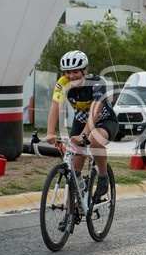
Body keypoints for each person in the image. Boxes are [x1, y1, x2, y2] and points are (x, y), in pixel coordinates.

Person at [46, 50, 119, 208]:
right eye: (67, 72)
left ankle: (103, 177)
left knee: (94, 142)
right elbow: (55, 105)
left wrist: (84, 134)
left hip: (104, 121)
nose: (71, 76)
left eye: (75, 72)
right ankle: (70, 210)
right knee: (73, 169)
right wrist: (50, 133)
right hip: (80, 123)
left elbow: (96, 110)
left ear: (85, 70)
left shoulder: (97, 83)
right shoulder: (62, 83)